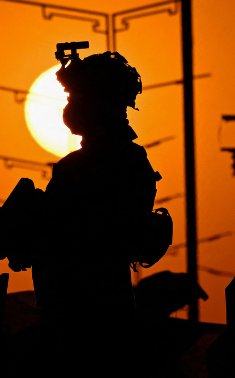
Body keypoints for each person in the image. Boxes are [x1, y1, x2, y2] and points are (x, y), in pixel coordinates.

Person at [32, 50, 162, 329]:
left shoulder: (100, 164)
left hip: (87, 315)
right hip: (86, 309)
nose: (70, 106)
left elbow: (83, 237)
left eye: (75, 98)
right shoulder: (123, 159)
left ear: (98, 103)